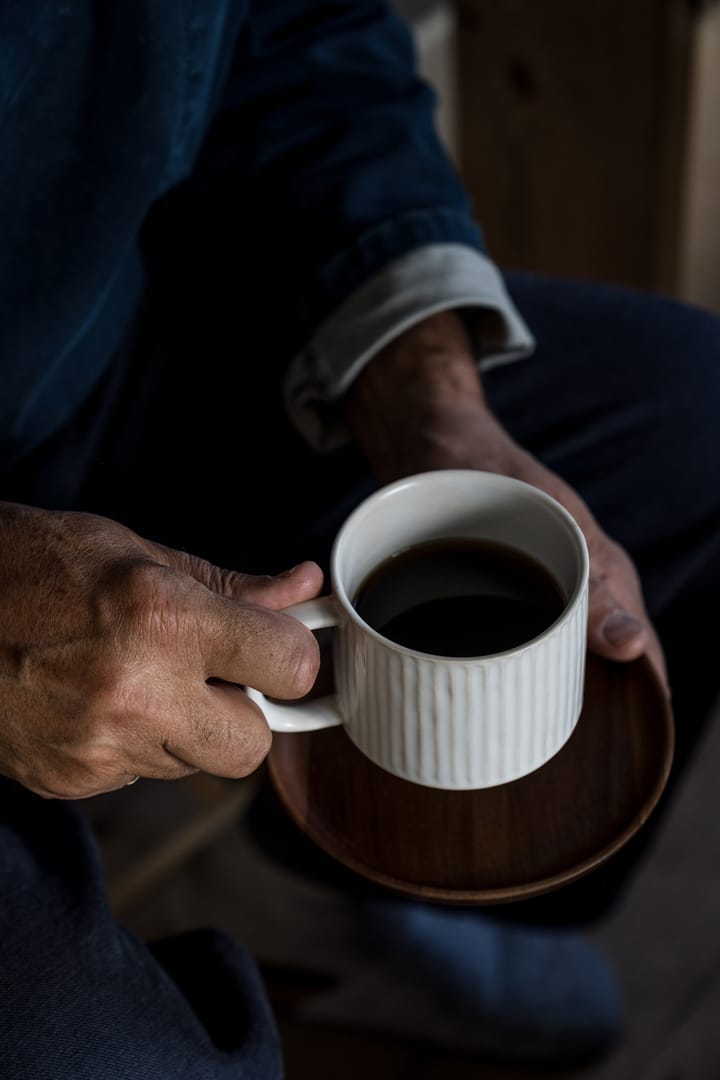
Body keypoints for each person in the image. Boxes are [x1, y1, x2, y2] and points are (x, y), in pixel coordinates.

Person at [0, 1, 718, 1076]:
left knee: (692, 415)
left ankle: (311, 894)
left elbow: (303, 35)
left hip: (102, 340)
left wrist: (437, 406)